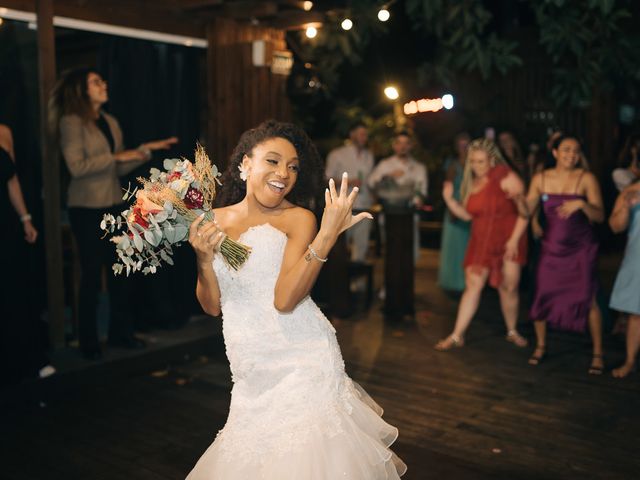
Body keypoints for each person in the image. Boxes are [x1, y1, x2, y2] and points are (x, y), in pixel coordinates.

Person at [186, 120, 406, 479]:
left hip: (302, 358)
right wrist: (203, 260)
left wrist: (327, 234)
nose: (283, 173)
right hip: (250, 367)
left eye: (292, 166)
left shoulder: (298, 218)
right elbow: (212, 306)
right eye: (272, 161)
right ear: (245, 165)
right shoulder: (213, 221)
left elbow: (285, 299)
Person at [49, 67, 178, 360]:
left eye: (102, 81)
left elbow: (116, 168)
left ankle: (121, 334)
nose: (103, 84)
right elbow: (77, 167)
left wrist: (142, 152)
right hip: (85, 209)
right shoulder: (71, 122)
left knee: (122, 271)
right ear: (82, 91)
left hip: (113, 205)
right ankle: (88, 341)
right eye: (96, 82)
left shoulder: (110, 122)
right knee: (92, 274)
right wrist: (118, 156)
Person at [435, 138, 529, 351]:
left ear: (492, 159)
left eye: (481, 162)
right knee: (473, 286)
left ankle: (512, 330)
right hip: (480, 240)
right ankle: (457, 335)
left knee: (508, 287)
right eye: (473, 161)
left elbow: (524, 214)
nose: (476, 166)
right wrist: (449, 200)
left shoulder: (505, 176)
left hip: (508, 238)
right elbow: (468, 216)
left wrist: (514, 240)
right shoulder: (472, 182)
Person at [525, 134, 605, 374]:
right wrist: (523, 207)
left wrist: (582, 205)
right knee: (542, 293)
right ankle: (540, 346)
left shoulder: (586, 178)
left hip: (581, 249)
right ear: (555, 153)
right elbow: (527, 208)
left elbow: (600, 216)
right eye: (567, 150)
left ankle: (598, 353)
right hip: (552, 248)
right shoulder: (541, 178)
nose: (572, 155)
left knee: (588, 298)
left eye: (576, 151)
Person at [0, 124, 54, 384]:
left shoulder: (4, 132)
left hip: (5, 224)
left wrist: (25, 218)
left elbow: (11, 179)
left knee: (14, 290)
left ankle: (28, 359)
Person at [368, 131, 428, 261]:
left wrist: (417, 200)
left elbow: (422, 190)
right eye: (399, 143)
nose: (403, 147)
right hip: (389, 215)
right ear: (394, 146)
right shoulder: (385, 164)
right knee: (391, 252)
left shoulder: (418, 167)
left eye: (406, 143)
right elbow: (371, 182)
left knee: (409, 253)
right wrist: (388, 176)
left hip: (409, 215)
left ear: (411, 146)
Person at [325, 122, 374, 262]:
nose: (364, 137)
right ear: (352, 135)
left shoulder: (369, 156)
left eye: (366, 135)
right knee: (339, 247)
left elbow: (370, 180)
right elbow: (327, 178)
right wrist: (348, 182)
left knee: (361, 246)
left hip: (364, 204)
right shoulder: (337, 154)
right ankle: (340, 282)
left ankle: (358, 284)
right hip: (343, 207)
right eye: (361, 134)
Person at [608, 180, 640, 378]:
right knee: (636, 314)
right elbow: (615, 226)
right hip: (638, 257)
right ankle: (630, 361)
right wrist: (626, 206)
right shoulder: (631, 191)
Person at [438, 132, 471, 292]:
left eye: (466, 145)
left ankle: (469, 280)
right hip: (455, 205)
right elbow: (448, 187)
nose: (464, 148)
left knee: (469, 245)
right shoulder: (452, 164)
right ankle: (454, 281)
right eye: (461, 145)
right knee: (455, 246)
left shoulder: (475, 163)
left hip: (472, 205)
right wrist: (452, 207)